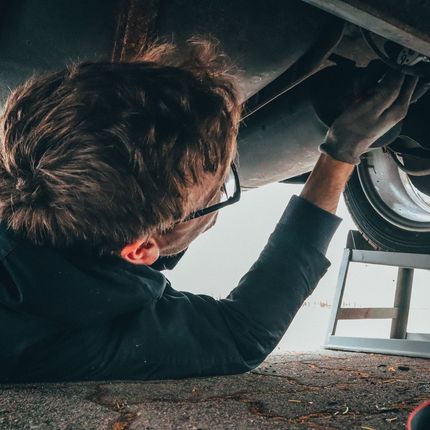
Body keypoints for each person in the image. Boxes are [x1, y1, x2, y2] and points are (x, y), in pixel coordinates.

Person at [0, 41, 418, 382]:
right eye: (218, 191)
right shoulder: (70, 338)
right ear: (141, 248)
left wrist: (341, 151)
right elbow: (241, 334)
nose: (218, 202)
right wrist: (339, 154)